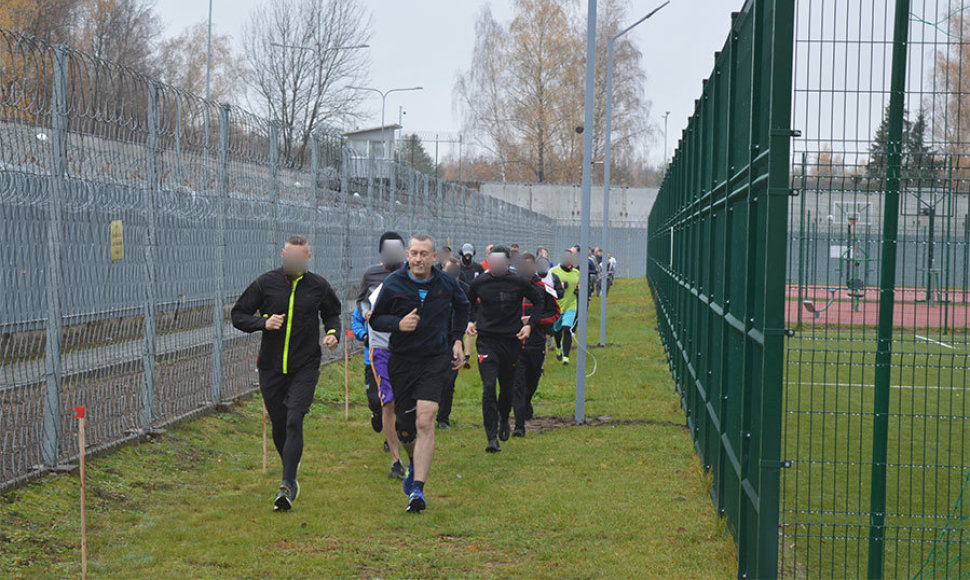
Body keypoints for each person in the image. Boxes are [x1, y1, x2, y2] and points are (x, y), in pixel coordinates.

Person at [231, 235, 341, 511]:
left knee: (294, 419)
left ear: (307, 258)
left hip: (305, 365)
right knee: (280, 423)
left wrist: (332, 334)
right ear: (283, 255)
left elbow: (332, 314)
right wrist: (263, 322)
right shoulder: (265, 283)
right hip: (270, 366)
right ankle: (290, 464)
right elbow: (238, 315)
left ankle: (287, 484)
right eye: (288, 257)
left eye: (299, 258)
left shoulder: (318, 286)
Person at [370, 234, 469, 513]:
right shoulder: (394, 284)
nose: (418, 259)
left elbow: (463, 307)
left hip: (434, 359)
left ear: (434, 257)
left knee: (426, 419)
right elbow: (377, 319)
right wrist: (398, 324)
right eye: (413, 253)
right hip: (401, 360)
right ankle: (413, 461)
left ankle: (417, 490)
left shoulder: (446, 283)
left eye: (424, 254)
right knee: (406, 428)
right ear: (407, 255)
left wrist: (457, 339)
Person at [466, 246, 543, 453]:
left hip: (511, 340)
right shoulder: (480, 282)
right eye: (492, 262)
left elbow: (539, 301)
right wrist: (471, 321)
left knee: (507, 389)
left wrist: (529, 325)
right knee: (489, 387)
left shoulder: (518, 282)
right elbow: (467, 302)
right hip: (487, 341)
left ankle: (503, 419)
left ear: (507, 262)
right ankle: (491, 438)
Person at [355, 232, 407, 480]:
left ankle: (408, 441)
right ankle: (396, 460)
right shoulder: (371, 274)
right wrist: (366, 313)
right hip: (380, 345)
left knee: (408, 405)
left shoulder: (413, 274)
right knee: (387, 402)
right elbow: (361, 301)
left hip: (409, 347)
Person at [512, 254, 560, 437]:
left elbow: (555, 313)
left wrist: (535, 321)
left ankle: (526, 401)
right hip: (515, 344)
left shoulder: (543, 289)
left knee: (531, 381)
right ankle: (519, 426)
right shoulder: (513, 288)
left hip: (536, 343)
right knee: (517, 383)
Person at [437, 258, 470, 429]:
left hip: (452, 340)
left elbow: (468, 311)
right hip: (434, 340)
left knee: (449, 380)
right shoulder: (435, 287)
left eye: (456, 274)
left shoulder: (464, 290)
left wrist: (470, 324)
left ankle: (443, 417)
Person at [551, 251, 580, 365]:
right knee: (557, 331)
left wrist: (578, 289)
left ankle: (566, 357)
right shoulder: (553, 272)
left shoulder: (577, 273)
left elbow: (579, 285)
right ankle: (558, 347)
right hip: (557, 306)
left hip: (571, 305)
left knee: (567, 328)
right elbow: (547, 287)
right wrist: (560, 286)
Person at [458, 243, 484, 368]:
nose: (467, 257)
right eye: (465, 255)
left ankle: (467, 356)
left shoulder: (478, 268)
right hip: (460, 298)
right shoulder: (458, 268)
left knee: (470, 326)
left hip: (473, 301)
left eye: (469, 254)